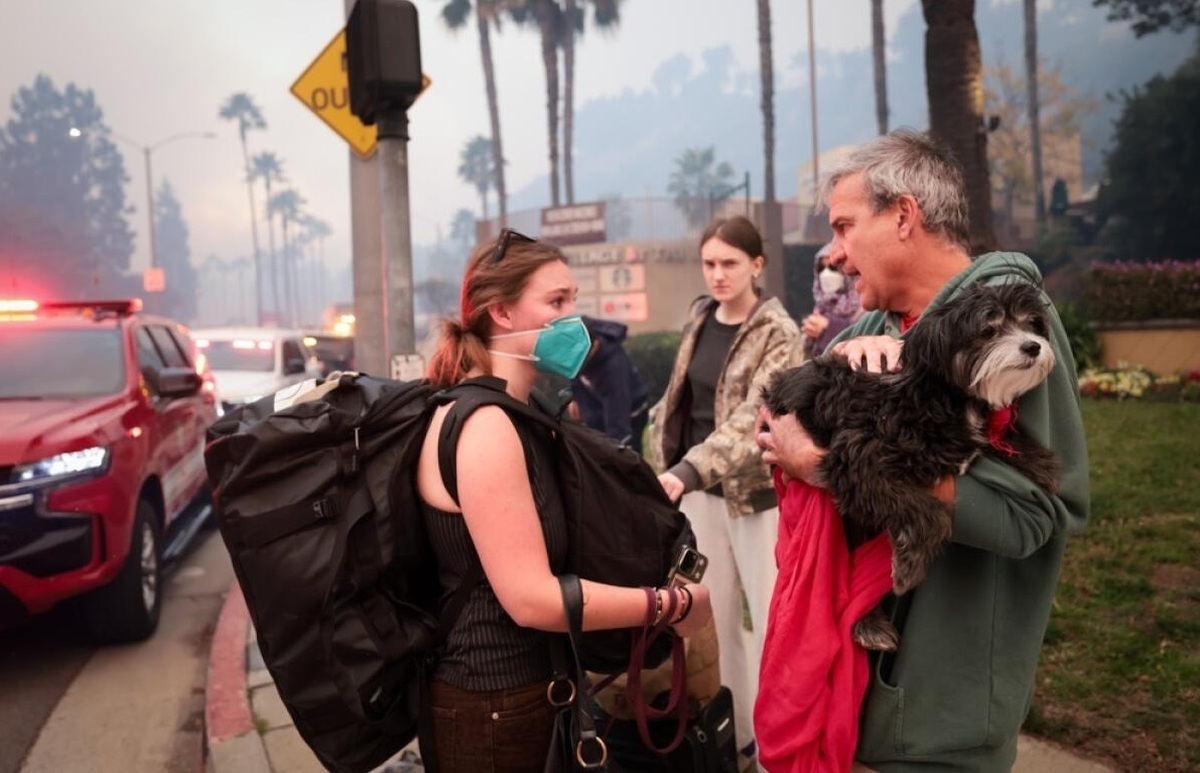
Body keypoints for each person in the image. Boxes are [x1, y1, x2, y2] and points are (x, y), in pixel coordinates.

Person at [755, 129, 1090, 772]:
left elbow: (1042, 517)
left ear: (903, 216)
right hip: (850, 702)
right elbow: (773, 425)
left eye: (845, 227)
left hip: (944, 725)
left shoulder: (1011, 325)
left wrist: (844, 468)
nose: (835, 255)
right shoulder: (866, 332)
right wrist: (793, 426)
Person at [418, 228, 714, 772]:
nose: (573, 318)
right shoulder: (486, 426)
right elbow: (531, 598)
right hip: (494, 706)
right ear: (502, 312)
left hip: (531, 695)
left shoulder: (518, 412)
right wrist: (667, 606)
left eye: (573, 299)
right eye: (556, 302)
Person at [647, 215, 803, 768]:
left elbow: (749, 419)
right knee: (707, 623)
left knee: (768, 622)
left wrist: (683, 472)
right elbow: (676, 403)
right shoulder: (700, 317)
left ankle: (775, 746)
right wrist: (652, 466)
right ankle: (732, 737)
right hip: (697, 496)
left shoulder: (780, 333)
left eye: (729, 264)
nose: (717, 275)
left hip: (757, 498)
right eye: (709, 263)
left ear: (757, 266)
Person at [567, 315, 651, 453]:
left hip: (631, 412)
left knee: (626, 456)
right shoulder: (579, 345)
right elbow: (573, 370)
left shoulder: (614, 367)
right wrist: (575, 396)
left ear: (595, 345)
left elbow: (618, 423)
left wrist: (617, 451)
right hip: (600, 403)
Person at [800, 242, 864, 358]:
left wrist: (828, 328)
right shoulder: (820, 307)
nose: (825, 274)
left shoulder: (865, 306)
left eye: (833, 268)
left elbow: (864, 337)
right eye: (821, 268)